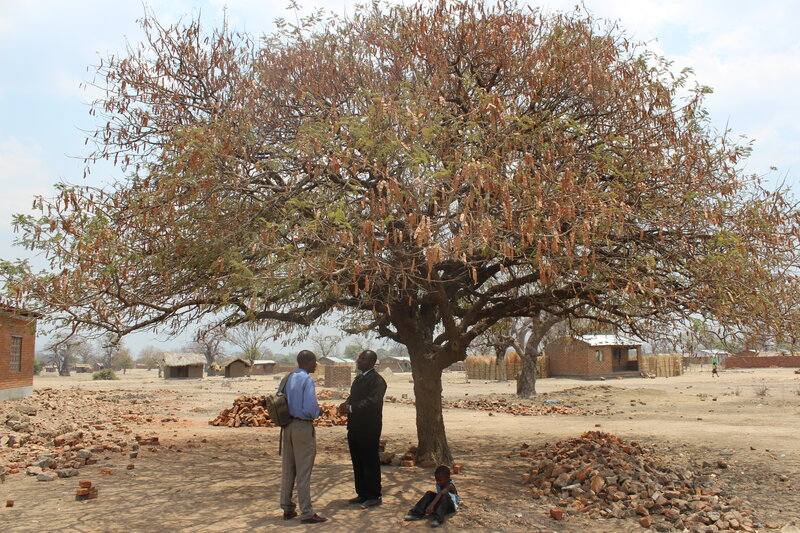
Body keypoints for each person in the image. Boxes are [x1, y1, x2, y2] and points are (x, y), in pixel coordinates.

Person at [279, 350, 327, 524]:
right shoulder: (307, 379)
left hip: (287, 426)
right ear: (307, 362)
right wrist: (318, 412)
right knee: (303, 471)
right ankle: (306, 512)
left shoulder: (288, 377)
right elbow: (309, 408)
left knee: (288, 469)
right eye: (314, 361)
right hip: (302, 427)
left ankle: (287, 507)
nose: (316, 365)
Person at [338, 349, 387, 508]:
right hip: (355, 426)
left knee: (369, 461)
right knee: (358, 461)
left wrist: (351, 408)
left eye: (363, 358)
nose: (359, 360)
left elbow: (372, 401)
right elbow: (353, 397)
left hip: (369, 427)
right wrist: (346, 404)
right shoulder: (358, 379)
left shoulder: (377, 381)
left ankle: (374, 495)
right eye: (359, 357)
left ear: (372, 362)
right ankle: (362, 493)